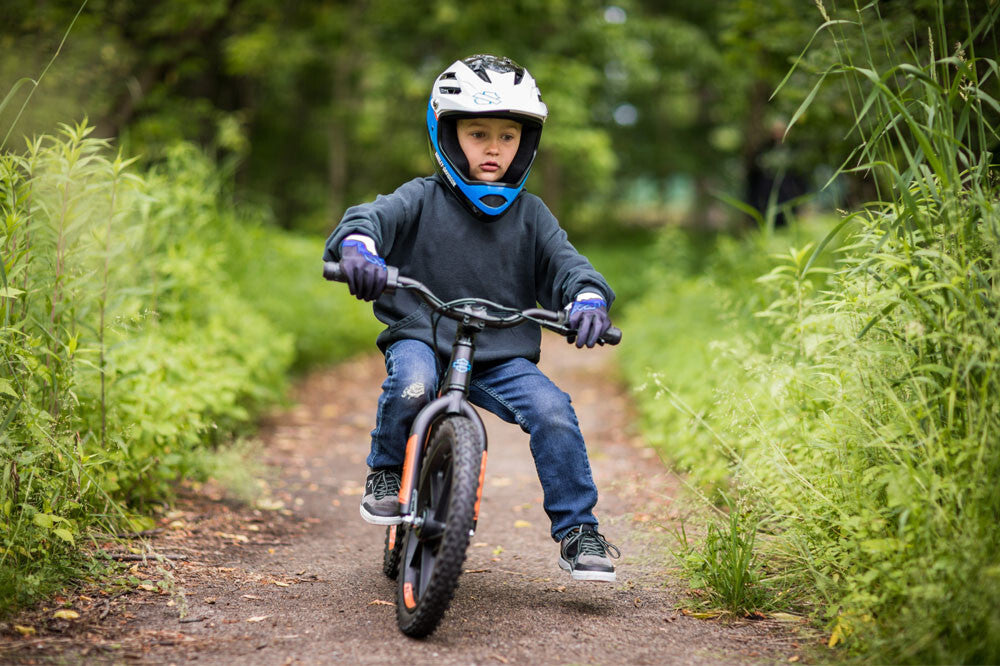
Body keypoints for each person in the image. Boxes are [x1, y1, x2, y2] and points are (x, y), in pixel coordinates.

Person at [322, 54, 621, 582]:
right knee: (413, 383)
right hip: (423, 334)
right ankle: (387, 474)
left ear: (525, 143)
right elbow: (371, 218)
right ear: (447, 134)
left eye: (508, 136)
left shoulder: (533, 215)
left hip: (499, 355)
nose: (492, 148)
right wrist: (360, 249)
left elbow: (570, 266)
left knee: (553, 411)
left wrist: (588, 300)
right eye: (477, 133)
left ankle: (579, 531)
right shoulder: (420, 197)